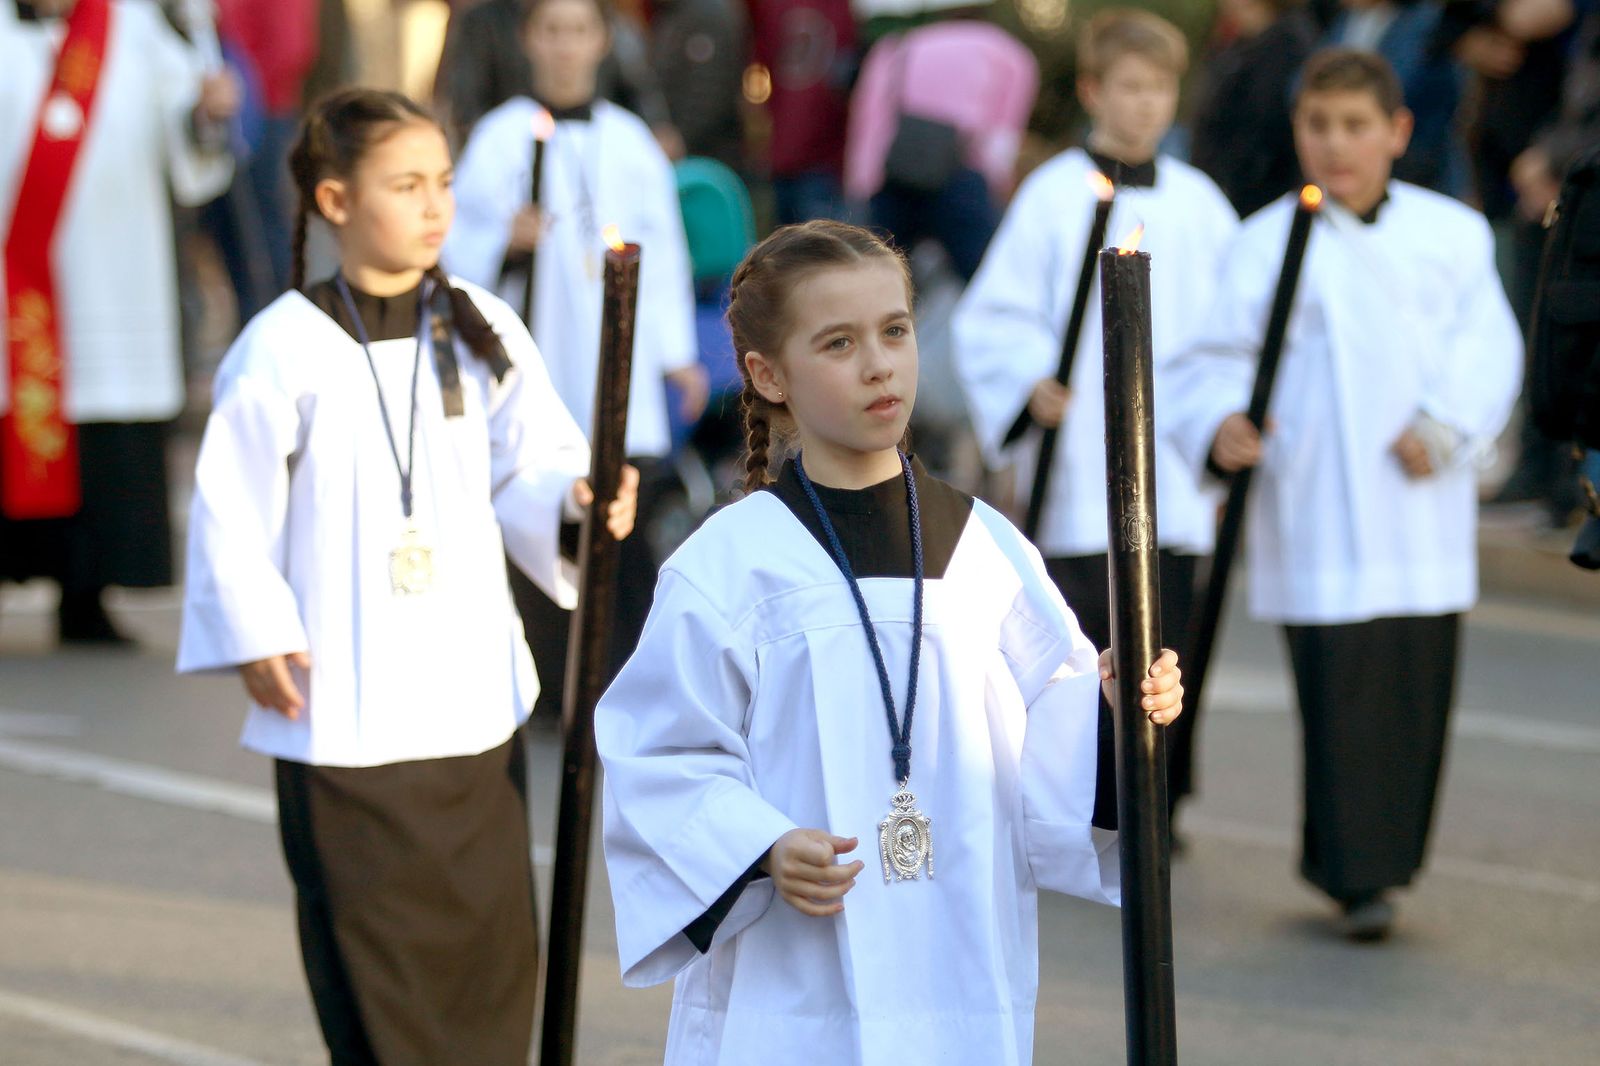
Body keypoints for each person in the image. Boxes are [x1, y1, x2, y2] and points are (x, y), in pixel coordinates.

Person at [595, 219, 1184, 1063]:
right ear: (767, 375)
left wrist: (1119, 709)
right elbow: (658, 753)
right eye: (838, 343)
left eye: (896, 332)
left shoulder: (987, 548)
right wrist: (759, 843)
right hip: (790, 984)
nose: (879, 364)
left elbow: (1056, 744)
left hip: (959, 967)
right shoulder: (728, 566)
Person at [175, 88, 638, 1064]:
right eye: (406, 185)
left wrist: (577, 500)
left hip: (468, 709)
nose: (435, 207)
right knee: (378, 985)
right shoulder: (283, 345)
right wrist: (255, 626)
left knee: (487, 965)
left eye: (444, 184)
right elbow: (229, 504)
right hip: (343, 711)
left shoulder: (477, 324)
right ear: (337, 200)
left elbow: (535, 462)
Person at [1164, 50, 1522, 941]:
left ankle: (1388, 863)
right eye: (1318, 125)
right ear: (1298, 132)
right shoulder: (1261, 243)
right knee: (1338, 696)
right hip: (1319, 504)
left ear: (1397, 132)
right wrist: (1219, 424)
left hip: (1416, 505)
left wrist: (1444, 425)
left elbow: (1490, 347)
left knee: (1410, 692)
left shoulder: (1452, 236)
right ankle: (1351, 873)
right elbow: (1208, 362)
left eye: (1356, 126)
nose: (1336, 144)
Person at [953, 8, 1237, 835]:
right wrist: (1027, 380)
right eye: (1129, 88)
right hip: (1081, 460)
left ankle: (1159, 796)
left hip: (1172, 465)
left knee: (1169, 640)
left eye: (1159, 90)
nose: (1145, 107)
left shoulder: (1202, 205)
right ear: (1091, 91)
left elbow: (1227, 330)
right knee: (1086, 636)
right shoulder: (1051, 197)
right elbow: (995, 315)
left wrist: (1214, 419)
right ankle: (1082, 794)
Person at [444, 0, 704, 711]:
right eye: (551, 31)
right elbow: (456, 247)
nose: (565, 47)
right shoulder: (499, 139)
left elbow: (667, 250)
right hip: (544, 354)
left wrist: (678, 354)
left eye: (579, 32)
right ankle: (551, 684)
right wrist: (505, 240)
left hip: (618, 357)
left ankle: (622, 685)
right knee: (543, 507)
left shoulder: (632, 143)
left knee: (625, 518)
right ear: (530, 40)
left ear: (602, 42)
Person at [0, 0, 237, 644]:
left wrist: (206, 114)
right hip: (14, 282)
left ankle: (87, 596)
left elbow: (187, 136)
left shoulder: (132, 26)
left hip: (114, 272)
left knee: (106, 438)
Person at [843, 15, 1037, 281]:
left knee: (878, 278)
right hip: (963, 178)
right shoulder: (1009, 54)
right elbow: (1003, 136)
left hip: (895, 177)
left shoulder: (898, 45)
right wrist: (996, 187)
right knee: (984, 279)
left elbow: (869, 118)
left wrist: (861, 185)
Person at [1321, 0, 1467, 196]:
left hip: (1419, 173)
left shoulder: (1426, 22)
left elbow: (1398, 89)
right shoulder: (1344, 21)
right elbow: (1305, 82)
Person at [1190, 0, 1319, 218]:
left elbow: (1265, 125)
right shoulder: (1238, 39)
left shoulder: (1289, 45)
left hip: (1259, 197)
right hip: (1224, 189)